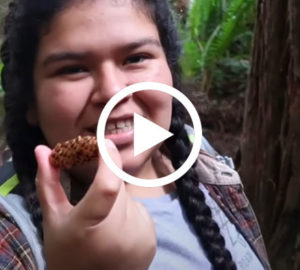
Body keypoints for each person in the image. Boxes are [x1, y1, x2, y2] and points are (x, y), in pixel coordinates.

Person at [0, 0, 271, 269]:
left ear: (169, 70)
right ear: (30, 101)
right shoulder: (9, 235)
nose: (113, 91)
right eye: (73, 69)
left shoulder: (197, 151)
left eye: (136, 59)